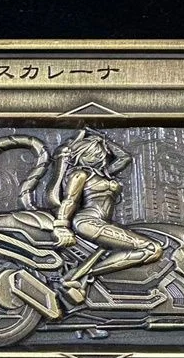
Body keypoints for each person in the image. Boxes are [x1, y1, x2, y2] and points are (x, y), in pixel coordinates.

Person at [49, 129, 164, 302]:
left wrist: (102, 138)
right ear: (82, 155)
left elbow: (124, 157)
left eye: (101, 153)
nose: (100, 157)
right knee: (150, 249)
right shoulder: (80, 174)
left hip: (103, 223)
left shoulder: (105, 173)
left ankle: (79, 275)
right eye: (94, 154)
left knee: (151, 250)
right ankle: (82, 275)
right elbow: (70, 200)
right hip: (88, 222)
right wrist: (61, 226)